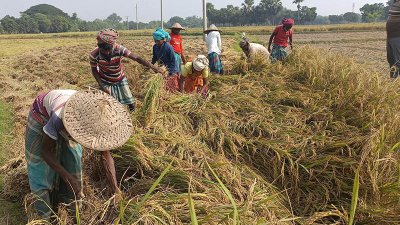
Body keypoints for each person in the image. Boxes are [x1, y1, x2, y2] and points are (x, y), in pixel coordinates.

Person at [25, 89, 132, 221]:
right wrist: (67, 177)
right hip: (42, 116)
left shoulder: (100, 120)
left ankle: (70, 212)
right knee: (40, 171)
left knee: (73, 164)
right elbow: (45, 151)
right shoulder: (60, 116)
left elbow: (106, 156)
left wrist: (115, 188)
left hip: (69, 119)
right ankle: (43, 217)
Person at [90, 28, 164, 111]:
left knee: (130, 102)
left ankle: (132, 116)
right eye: (104, 51)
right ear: (100, 47)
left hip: (119, 78)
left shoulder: (119, 49)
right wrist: (102, 85)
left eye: (109, 50)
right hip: (105, 81)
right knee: (108, 106)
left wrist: (154, 68)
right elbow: (94, 70)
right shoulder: (94, 54)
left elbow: (137, 58)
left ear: (112, 45)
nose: (107, 53)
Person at [152, 27, 180, 92]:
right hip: (162, 68)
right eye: (155, 41)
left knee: (172, 86)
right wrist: (151, 65)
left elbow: (173, 60)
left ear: (163, 39)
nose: (156, 42)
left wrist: (170, 72)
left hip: (171, 68)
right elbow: (154, 57)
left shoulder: (168, 47)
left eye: (158, 41)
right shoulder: (155, 47)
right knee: (164, 85)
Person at [387, 0, 400, 78]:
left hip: (398, 36)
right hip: (390, 37)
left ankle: (395, 84)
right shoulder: (395, 3)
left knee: (398, 61)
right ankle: (392, 84)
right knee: (391, 60)